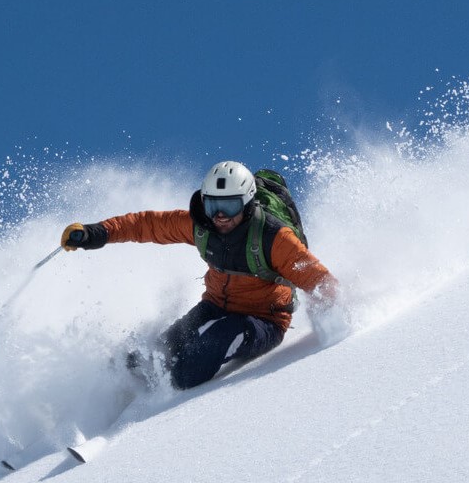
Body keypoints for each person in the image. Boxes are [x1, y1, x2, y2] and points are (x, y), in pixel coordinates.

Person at [60, 161, 340, 390]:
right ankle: (117, 394)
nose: (219, 215)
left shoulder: (274, 237)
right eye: (212, 205)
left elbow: (316, 277)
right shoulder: (201, 226)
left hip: (264, 319)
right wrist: (96, 233)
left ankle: (153, 409)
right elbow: (147, 225)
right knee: (159, 350)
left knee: (205, 351)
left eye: (229, 206)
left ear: (246, 203)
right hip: (214, 305)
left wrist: (336, 311)